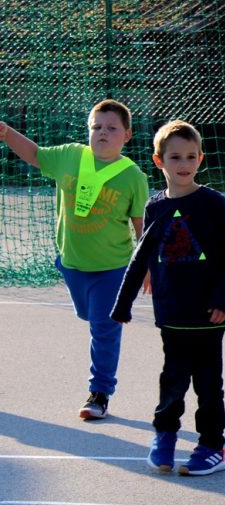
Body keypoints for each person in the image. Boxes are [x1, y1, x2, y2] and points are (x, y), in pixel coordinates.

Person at [0, 100, 149, 420]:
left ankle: (100, 393)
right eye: (96, 127)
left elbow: (142, 227)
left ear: (127, 135)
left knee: (104, 327)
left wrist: (148, 265)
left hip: (113, 268)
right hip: (71, 264)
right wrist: (6, 132)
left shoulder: (132, 176)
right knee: (89, 315)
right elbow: (35, 154)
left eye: (111, 128)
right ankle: (95, 318)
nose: (102, 133)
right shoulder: (70, 156)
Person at [111, 120, 225, 476]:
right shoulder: (156, 208)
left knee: (208, 384)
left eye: (190, 156)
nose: (183, 164)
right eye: (174, 157)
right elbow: (140, 258)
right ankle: (165, 435)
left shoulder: (213, 203)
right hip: (171, 313)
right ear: (159, 161)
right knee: (172, 378)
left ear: (200, 159)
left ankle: (212, 444)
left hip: (209, 313)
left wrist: (223, 301)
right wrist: (122, 304)